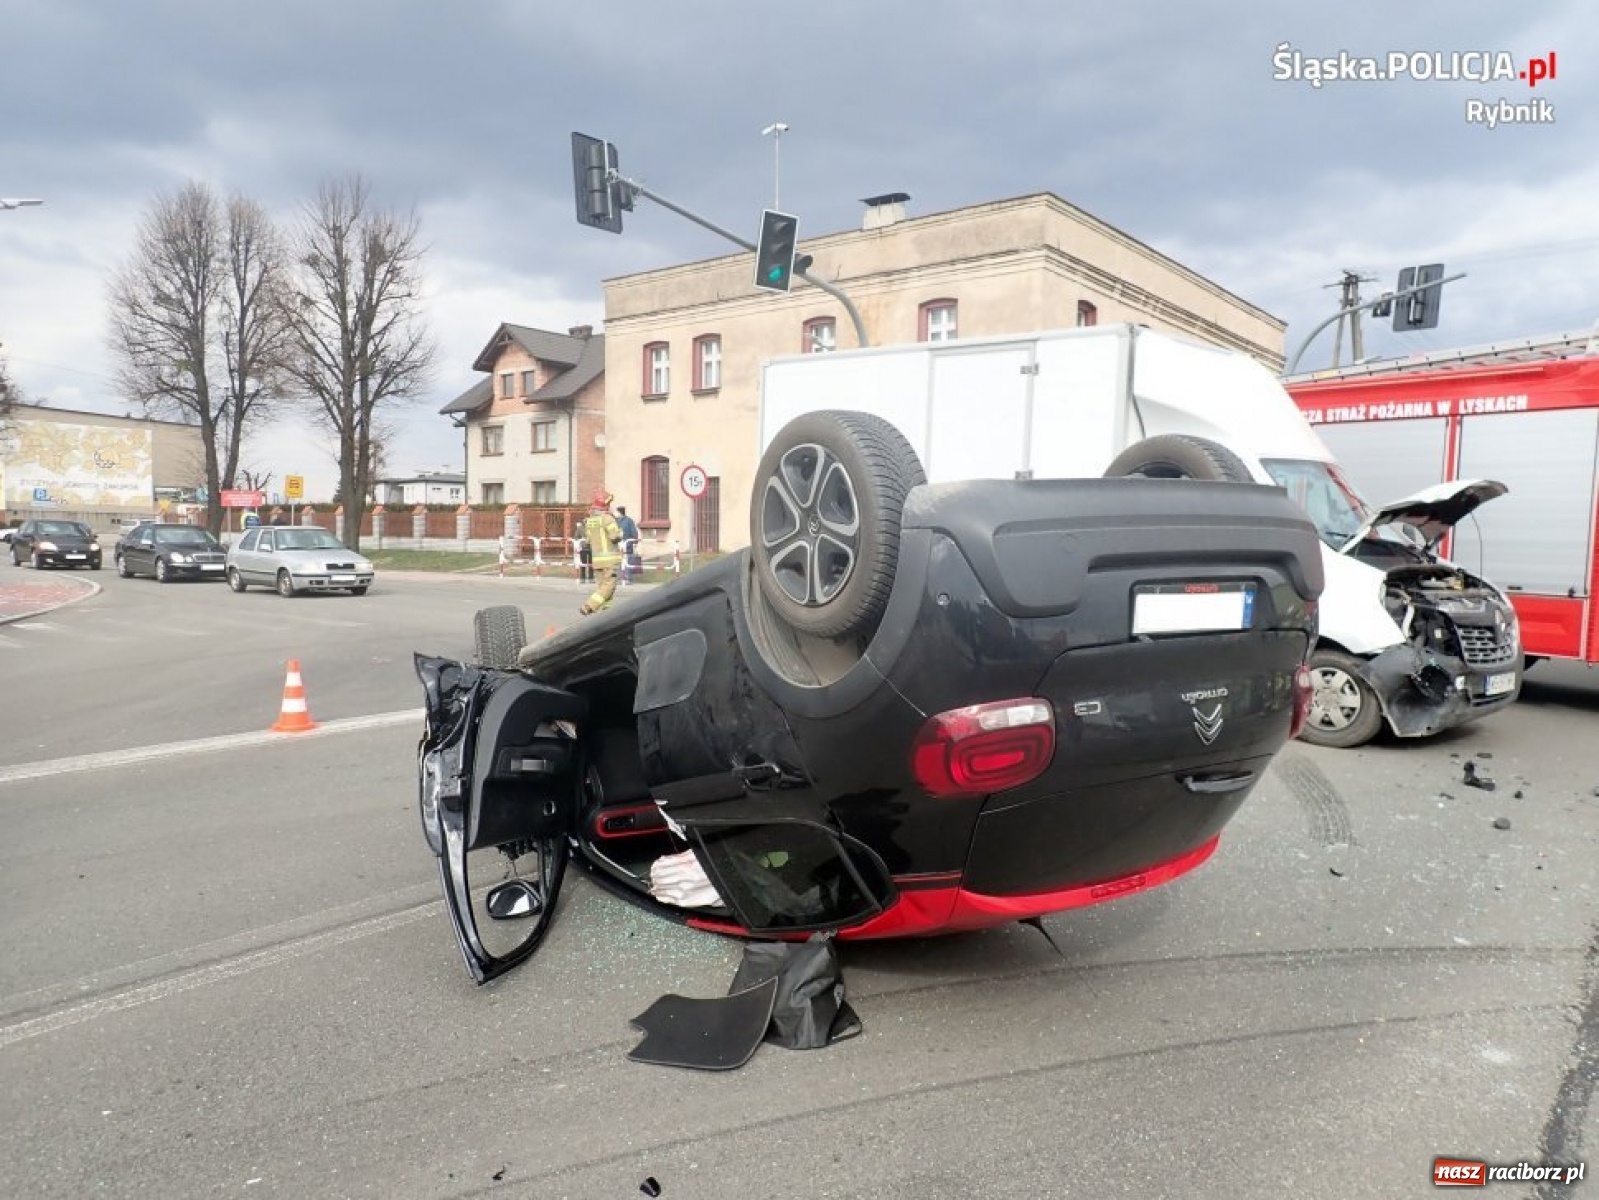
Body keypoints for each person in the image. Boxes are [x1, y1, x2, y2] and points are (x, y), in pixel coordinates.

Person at [579, 490, 624, 615]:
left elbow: (588, 540)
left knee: (603, 587)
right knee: (609, 586)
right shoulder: (608, 519)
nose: (610, 505)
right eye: (609, 503)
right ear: (604, 504)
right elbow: (615, 537)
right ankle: (588, 606)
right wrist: (621, 532)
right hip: (610, 560)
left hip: (597, 561)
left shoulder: (590, 521)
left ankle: (606, 612)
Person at [615, 505, 641, 581]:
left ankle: (628, 578)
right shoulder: (616, 521)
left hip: (627, 544)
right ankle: (621, 578)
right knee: (619, 562)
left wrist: (635, 542)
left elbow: (634, 531)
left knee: (627, 561)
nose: (615, 513)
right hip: (618, 544)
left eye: (616, 512)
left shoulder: (628, 520)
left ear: (620, 512)